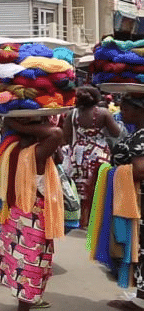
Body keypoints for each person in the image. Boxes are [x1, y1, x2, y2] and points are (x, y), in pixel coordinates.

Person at [0, 116, 65, 310]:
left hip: (14, 214)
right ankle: (24, 307)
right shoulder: (35, 154)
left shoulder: (10, 148)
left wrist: (14, 125)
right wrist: (18, 124)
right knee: (30, 267)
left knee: (19, 263)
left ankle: (29, 301)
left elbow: (59, 153)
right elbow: (57, 134)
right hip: (32, 216)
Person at [106, 93, 144, 310]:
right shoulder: (137, 133)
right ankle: (140, 299)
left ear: (140, 110)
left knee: (141, 249)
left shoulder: (141, 136)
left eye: (126, 109)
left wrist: (116, 172)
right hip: (136, 200)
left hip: (139, 201)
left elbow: (139, 170)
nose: (122, 113)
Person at [63, 86, 120, 228]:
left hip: (78, 154)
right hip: (99, 154)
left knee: (79, 187)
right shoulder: (103, 113)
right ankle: (94, 221)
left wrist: (74, 149)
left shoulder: (73, 113)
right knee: (97, 187)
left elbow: (66, 136)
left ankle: (80, 219)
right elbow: (116, 133)